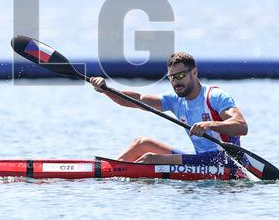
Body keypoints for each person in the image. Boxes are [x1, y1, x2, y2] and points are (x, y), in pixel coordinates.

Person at [88, 52, 248, 165]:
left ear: (194, 73)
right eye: (171, 77)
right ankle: (108, 170)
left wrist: (209, 125)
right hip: (201, 159)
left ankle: (113, 173)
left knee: (150, 159)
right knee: (141, 143)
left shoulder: (215, 96)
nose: (175, 82)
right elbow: (136, 100)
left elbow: (241, 126)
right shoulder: (175, 100)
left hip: (225, 161)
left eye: (180, 76)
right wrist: (106, 90)